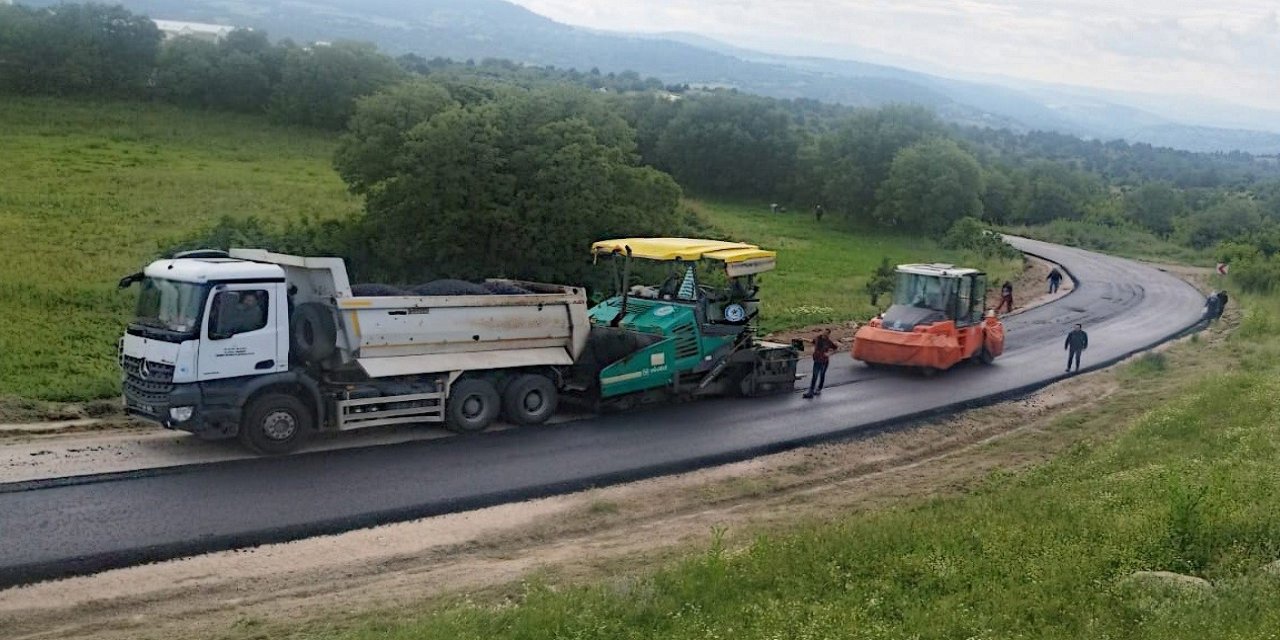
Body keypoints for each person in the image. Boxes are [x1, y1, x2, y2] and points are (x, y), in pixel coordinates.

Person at [803, 328, 837, 399]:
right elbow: (812, 341)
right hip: (817, 360)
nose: (824, 333)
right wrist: (803, 339)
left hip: (824, 361)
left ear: (828, 334)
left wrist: (829, 354)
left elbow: (835, 348)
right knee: (814, 376)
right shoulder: (818, 338)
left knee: (821, 375)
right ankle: (811, 391)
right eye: (823, 332)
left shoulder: (828, 342)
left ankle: (819, 388)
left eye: (826, 333)